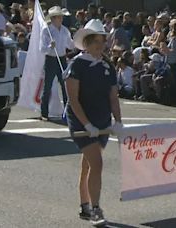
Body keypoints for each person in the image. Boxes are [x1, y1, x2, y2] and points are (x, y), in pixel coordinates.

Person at [65, 19, 123, 226]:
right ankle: (95, 209)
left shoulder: (108, 66)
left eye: (102, 41)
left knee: (88, 165)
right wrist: (87, 124)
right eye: (95, 41)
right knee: (96, 164)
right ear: (86, 43)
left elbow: (113, 97)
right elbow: (73, 99)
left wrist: (118, 121)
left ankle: (84, 205)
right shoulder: (76, 64)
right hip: (81, 121)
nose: (99, 45)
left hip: (102, 120)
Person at [39, 6, 74, 120]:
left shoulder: (65, 30)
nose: (61, 19)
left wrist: (77, 43)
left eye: (61, 17)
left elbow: (70, 45)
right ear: (53, 18)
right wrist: (50, 46)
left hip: (62, 59)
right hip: (50, 59)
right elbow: (42, 48)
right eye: (59, 17)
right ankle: (44, 113)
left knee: (65, 86)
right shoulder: (46, 30)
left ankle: (67, 113)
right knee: (47, 86)